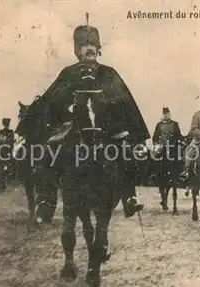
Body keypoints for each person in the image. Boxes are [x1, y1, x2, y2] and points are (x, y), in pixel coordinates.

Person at [27, 22, 150, 218]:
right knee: (48, 153)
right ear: (78, 50)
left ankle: (129, 197)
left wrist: (139, 136)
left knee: (126, 153)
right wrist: (24, 130)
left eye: (93, 45)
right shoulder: (68, 73)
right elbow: (49, 101)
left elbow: (127, 102)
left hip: (107, 127)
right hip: (74, 127)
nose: (90, 49)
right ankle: (46, 201)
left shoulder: (109, 73)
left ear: (98, 49)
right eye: (85, 45)